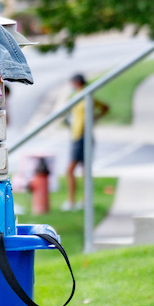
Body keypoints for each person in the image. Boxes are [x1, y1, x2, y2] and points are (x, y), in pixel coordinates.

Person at [64, 73, 109, 210]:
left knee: (73, 170)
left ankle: (74, 202)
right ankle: (80, 201)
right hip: (77, 135)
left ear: (77, 82)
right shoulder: (80, 95)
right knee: (82, 170)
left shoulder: (84, 96)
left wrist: (94, 118)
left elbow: (104, 107)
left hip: (82, 136)